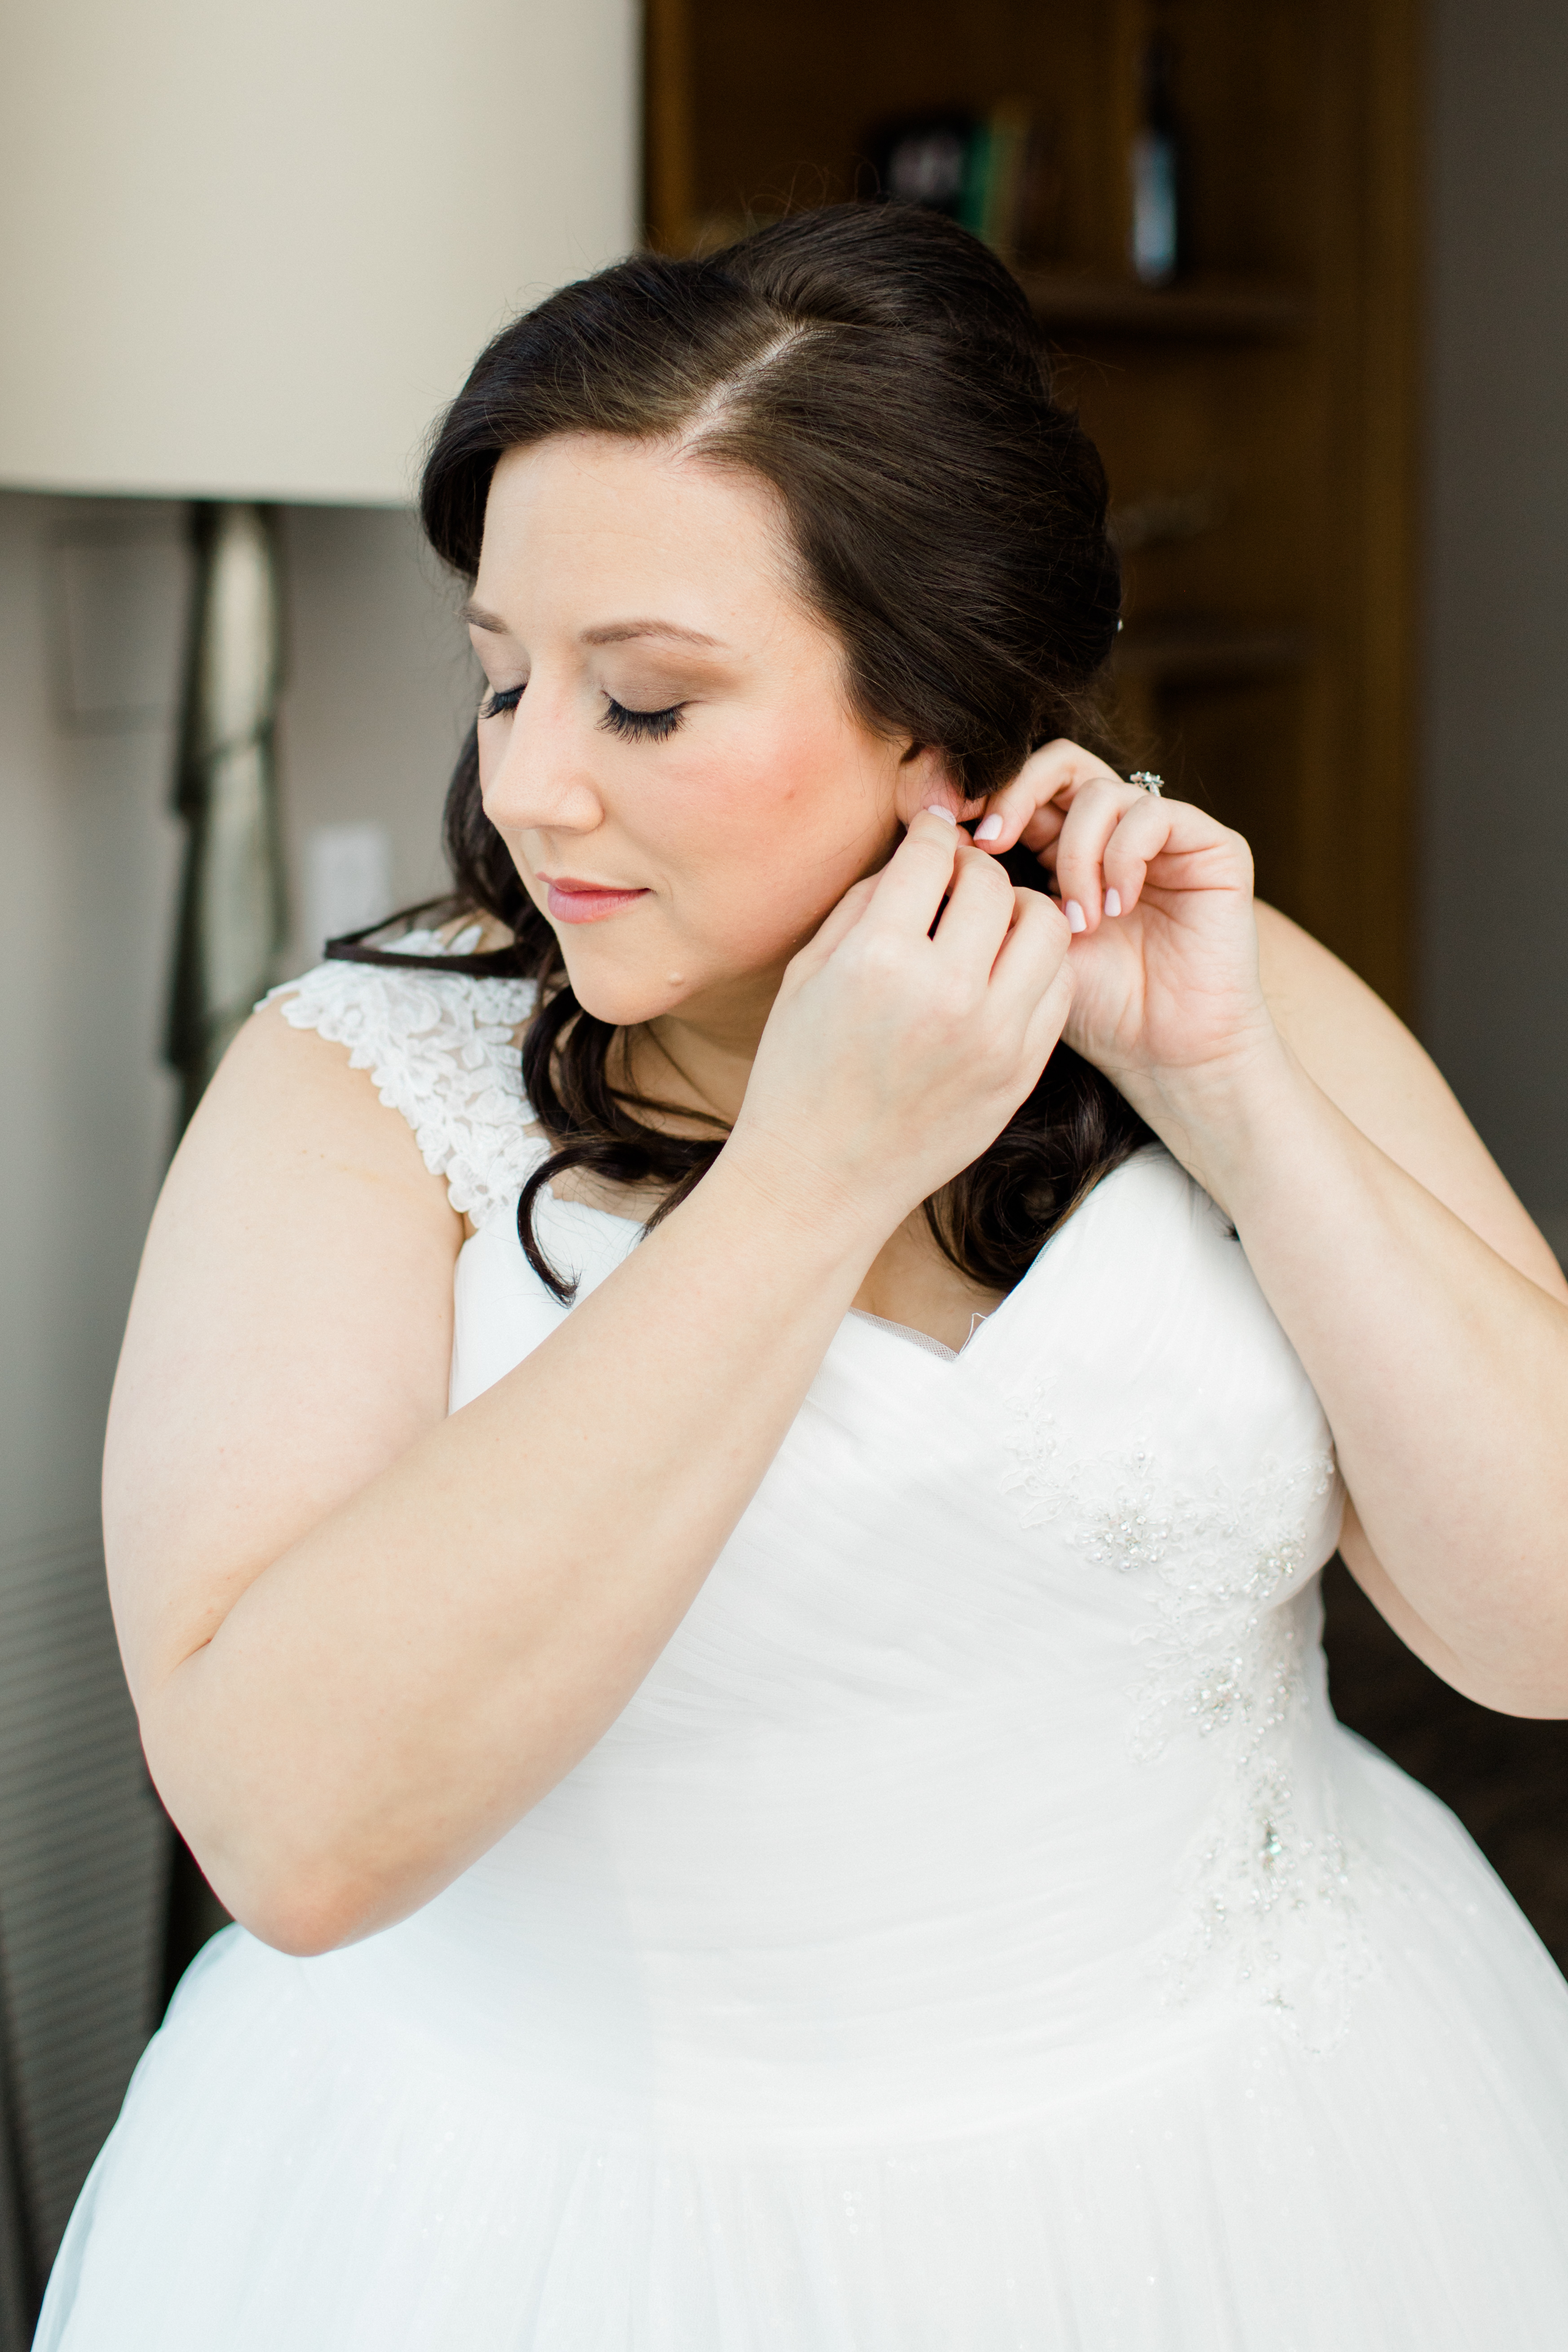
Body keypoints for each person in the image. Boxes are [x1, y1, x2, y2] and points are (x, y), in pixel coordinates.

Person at [36, 205, 1568, 2348]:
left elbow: (1540, 1627)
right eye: (504, 673)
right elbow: (290, 1837)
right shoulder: (351, 1093)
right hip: (564, 2233)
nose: (526, 781)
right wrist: (810, 1174)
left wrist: (1230, 1089)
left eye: (643, 700)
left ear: (941, 725)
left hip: (1278, 2156)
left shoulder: (1216, 983)